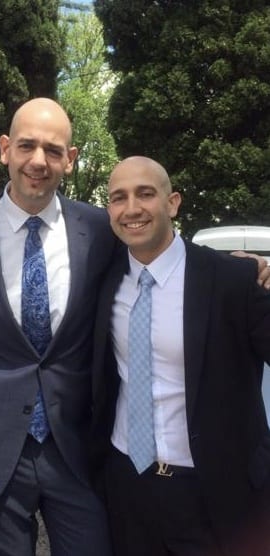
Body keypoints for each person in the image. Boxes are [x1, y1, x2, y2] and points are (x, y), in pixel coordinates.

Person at [0, 97, 114, 555]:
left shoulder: (101, 230)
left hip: (75, 448)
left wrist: (238, 268)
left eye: (53, 150)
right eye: (26, 146)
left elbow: (155, 249)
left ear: (70, 160)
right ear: (5, 149)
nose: (38, 161)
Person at [91, 155, 270, 556]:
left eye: (145, 194)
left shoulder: (232, 280)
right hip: (127, 483)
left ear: (172, 203)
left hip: (213, 489)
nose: (132, 208)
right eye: (119, 197)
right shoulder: (104, 278)